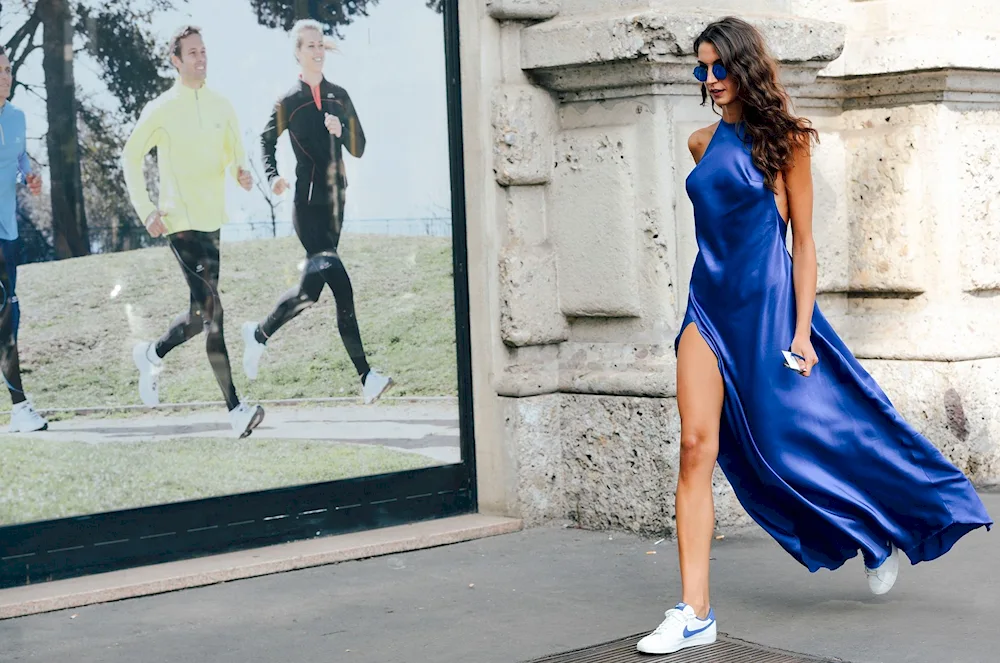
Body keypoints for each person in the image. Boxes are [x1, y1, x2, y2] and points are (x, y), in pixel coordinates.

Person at [636, 17, 992, 656]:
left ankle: (875, 531)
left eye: (719, 68)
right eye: (701, 70)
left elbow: (804, 243)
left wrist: (801, 331)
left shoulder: (788, 141)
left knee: (793, 444)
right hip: (707, 312)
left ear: (745, 68)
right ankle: (693, 611)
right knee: (696, 447)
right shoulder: (698, 143)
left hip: (769, 313)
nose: (710, 80)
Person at [122, 25, 264, 439]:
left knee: (200, 314)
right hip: (178, 221)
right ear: (176, 61)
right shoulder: (161, 108)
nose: (201, 59)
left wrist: (240, 171)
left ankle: (150, 353)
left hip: (211, 220)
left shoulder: (222, 105)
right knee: (214, 313)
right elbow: (130, 157)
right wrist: (146, 210)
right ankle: (235, 409)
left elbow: (234, 152)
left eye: (204, 52)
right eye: (193, 53)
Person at [241, 20, 392, 406]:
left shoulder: (340, 96)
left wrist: (342, 129)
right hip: (306, 209)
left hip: (335, 206)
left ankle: (259, 334)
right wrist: (273, 176)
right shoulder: (289, 100)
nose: (318, 50)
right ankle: (367, 377)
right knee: (342, 287)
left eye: (321, 44)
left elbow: (360, 147)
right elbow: (264, 139)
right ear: (298, 52)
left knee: (310, 293)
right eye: (310, 45)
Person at [0, 46, 47, 433]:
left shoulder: (17, 117)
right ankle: (19, 407)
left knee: (9, 316)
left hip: (8, 233)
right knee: (5, 314)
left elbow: (21, 167)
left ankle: (18, 409)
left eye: (8, 69)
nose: (6, 76)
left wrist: (31, 179)